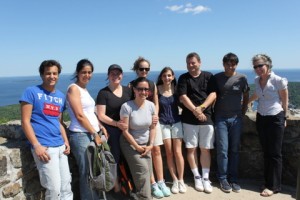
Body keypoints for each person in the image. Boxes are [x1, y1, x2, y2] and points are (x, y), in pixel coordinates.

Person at [20, 60, 73, 200]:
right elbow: (25, 122)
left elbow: (59, 122)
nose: (52, 76)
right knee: (53, 189)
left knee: (66, 187)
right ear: (42, 75)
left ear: (58, 75)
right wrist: (36, 145)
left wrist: (66, 141)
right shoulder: (31, 92)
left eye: (55, 73)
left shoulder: (60, 97)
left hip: (60, 146)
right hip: (45, 147)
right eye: (48, 73)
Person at [129, 57, 171, 198]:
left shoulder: (152, 84)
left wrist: (155, 115)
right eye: (142, 68)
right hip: (139, 125)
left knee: (156, 150)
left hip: (152, 122)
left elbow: (156, 102)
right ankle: (152, 183)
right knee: (146, 153)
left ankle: (161, 181)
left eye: (147, 69)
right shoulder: (131, 85)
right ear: (136, 70)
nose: (144, 71)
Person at [249, 54, 289, 197]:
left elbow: (285, 100)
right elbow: (257, 94)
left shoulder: (278, 80)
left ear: (268, 65)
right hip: (261, 117)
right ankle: (267, 182)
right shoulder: (256, 80)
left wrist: (285, 117)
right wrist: (247, 101)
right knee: (266, 152)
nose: (258, 69)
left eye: (260, 65)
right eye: (255, 66)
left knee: (275, 153)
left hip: (275, 117)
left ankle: (274, 186)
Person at [66, 59, 107, 200]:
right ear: (77, 72)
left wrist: (100, 126)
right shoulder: (73, 88)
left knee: (95, 171)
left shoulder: (84, 89)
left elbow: (90, 113)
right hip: (80, 135)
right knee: (87, 173)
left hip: (90, 133)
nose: (87, 75)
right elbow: (79, 115)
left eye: (89, 72)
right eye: (84, 72)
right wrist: (94, 133)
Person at [177, 52, 217, 194]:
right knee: (191, 148)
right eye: (188, 63)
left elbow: (213, 94)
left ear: (199, 62)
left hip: (207, 117)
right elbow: (182, 96)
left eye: (193, 62)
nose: (190, 65)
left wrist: (201, 109)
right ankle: (197, 176)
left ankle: (206, 178)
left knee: (206, 148)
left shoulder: (208, 76)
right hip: (189, 119)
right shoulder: (183, 78)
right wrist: (195, 111)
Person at [214, 53, 249, 193]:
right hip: (221, 118)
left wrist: (244, 110)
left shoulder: (242, 78)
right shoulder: (217, 78)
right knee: (222, 150)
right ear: (223, 64)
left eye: (233, 63)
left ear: (236, 64)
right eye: (227, 63)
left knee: (234, 150)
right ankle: (222, 178)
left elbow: (246, 95)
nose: (230, 66)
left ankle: (233, 179)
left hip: (236, 118)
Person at [96, 64, 132, 195]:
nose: (115, 76)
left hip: (127, 129)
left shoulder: (128, 91)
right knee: (114, 159)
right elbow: (101, 115)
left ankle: (129, 185)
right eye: (112, 73)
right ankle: (116, 188)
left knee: (128, 157)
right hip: (113, 130)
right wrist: (117, 124)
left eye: (118, 73)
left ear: (122, 75)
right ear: (108, 76)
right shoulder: (103, 93)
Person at [120, 77, 156, 200]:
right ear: (134, 90)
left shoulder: (151, 106)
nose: (143, 92)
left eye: (146, 89)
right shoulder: (127, 107)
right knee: (142, 171)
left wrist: (151, 144)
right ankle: (145, 197)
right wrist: (137, 147)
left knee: (148, 171)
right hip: (130, 143)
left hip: (146, 143)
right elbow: (125, 131)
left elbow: (153, 127)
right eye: (140, 89)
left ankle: (141, 195)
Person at [156, 67, 187, 194]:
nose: (167, 78)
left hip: (176, 123)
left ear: (173, 76)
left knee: (178, 152)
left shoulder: (177, 90)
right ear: (161, 77)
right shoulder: (157, 90)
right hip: (163, 124)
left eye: (169, 75)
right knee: (169, 153)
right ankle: (174, 180)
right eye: (164, 76)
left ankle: (181, 180)